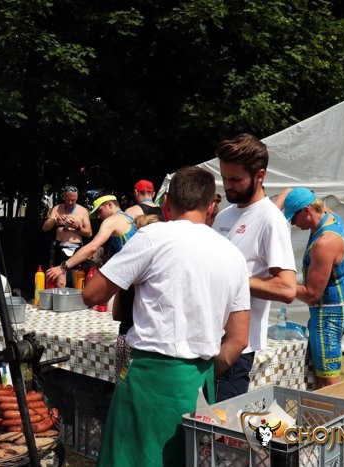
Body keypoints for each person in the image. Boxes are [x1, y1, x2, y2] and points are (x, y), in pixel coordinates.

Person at [83, 166, 250, 467]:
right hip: (200, 381)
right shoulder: (234, 255)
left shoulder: (153, 236)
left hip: (149, 378)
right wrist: (199, 372)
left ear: (166, 204)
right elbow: (238, 339)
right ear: (211, 208)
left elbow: (91, 294)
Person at [212, 133, 297, 400]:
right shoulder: (224, 215)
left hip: (237, 349)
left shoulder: (271, 219)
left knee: (221, 422)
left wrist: (234, 280)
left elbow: (287, 288)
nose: (228, 186)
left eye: (236, 179)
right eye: (224, 178)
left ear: (260, 175)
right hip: (208, 339)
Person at [278, 186, 344, 388]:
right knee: (322, 376)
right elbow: (306, 197)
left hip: (327, 315)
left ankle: (338, 410)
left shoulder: (324, 243)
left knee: (328, 381)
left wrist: (281, 282)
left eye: (293, 218)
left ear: (307, 211)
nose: (293, 223)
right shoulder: (331, 217)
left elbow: (312, 295)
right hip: (334, 309)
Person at [45, 193, 136, 288]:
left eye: (100, 211)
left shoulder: (111, 220)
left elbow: (92, 247)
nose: (99, 216)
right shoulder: (129, 218)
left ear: (110, 205)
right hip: (135, 273)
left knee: (88, 294)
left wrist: (63, 266)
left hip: (127, 274)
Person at [111, 213, 161, 381]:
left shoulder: (127, 268)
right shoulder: (162, 270)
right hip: (152, 344)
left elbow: (116, 314)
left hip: (126, 337)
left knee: (123, 386)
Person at [41, 185, 92, 284]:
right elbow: (45, 228)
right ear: (64, 197)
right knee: (60, 282)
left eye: (73, 200)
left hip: (76, 248)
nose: (70, 202)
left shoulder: (82, 211)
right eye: (68, 200)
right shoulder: (57, 208)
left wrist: (77, 227)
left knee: (77, 281)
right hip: (60, 247)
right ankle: (60, 294)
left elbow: (89, 233)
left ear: (77, 197)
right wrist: (55, 220)